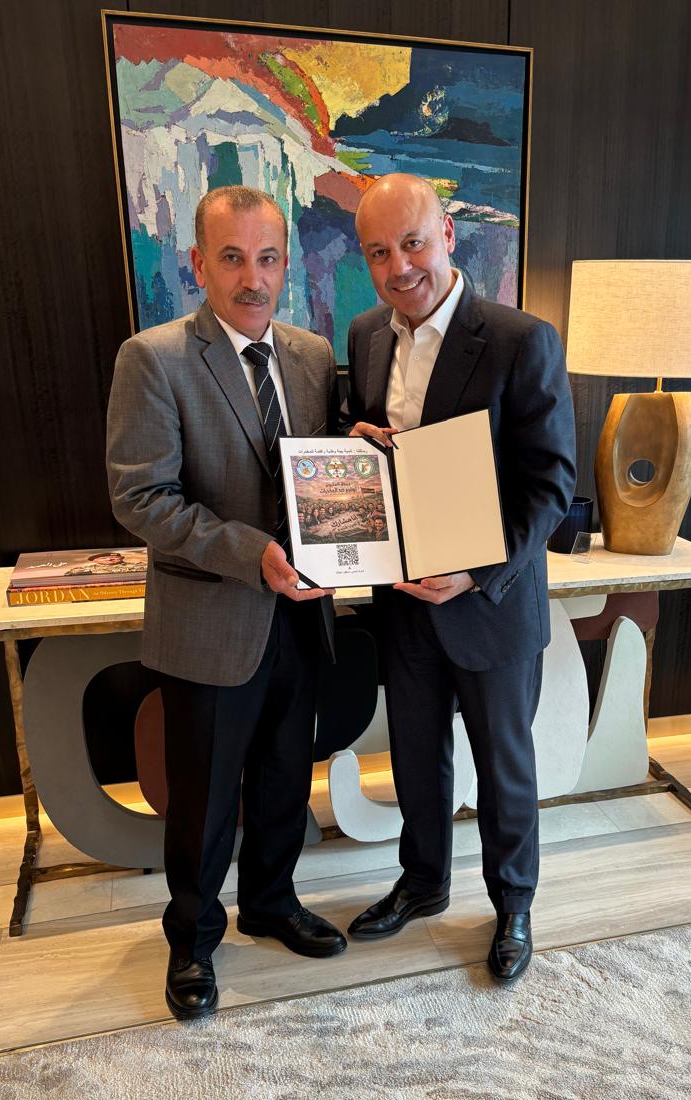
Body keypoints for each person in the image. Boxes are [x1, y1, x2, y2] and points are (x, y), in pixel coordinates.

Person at [106, 186, 346, 1021]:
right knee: (205, 799)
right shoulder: (153, 358)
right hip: (211, 620)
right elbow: (142, 499)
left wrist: (359, 455)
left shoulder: (312, 355)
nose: (254, 278)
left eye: (268, 258)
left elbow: (320, 472)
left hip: (300, 616)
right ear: (198, 264)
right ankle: (193, 941)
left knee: (284, 777)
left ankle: (272, 903)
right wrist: (253, 555)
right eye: (233, 258)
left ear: (287, 265)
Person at [345, 173, 576, 983]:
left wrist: (477, 573)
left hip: (490, 602)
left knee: (504, 764)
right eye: (378, 252)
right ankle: (424, 882)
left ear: (447, 234)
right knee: (415, 753)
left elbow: (551, 484)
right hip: (403, 600)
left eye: (412, 243)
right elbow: (376, 451)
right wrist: (356, 444)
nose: (398, 267)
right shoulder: (365, 336)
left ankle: (513, 904)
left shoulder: (521, 339)